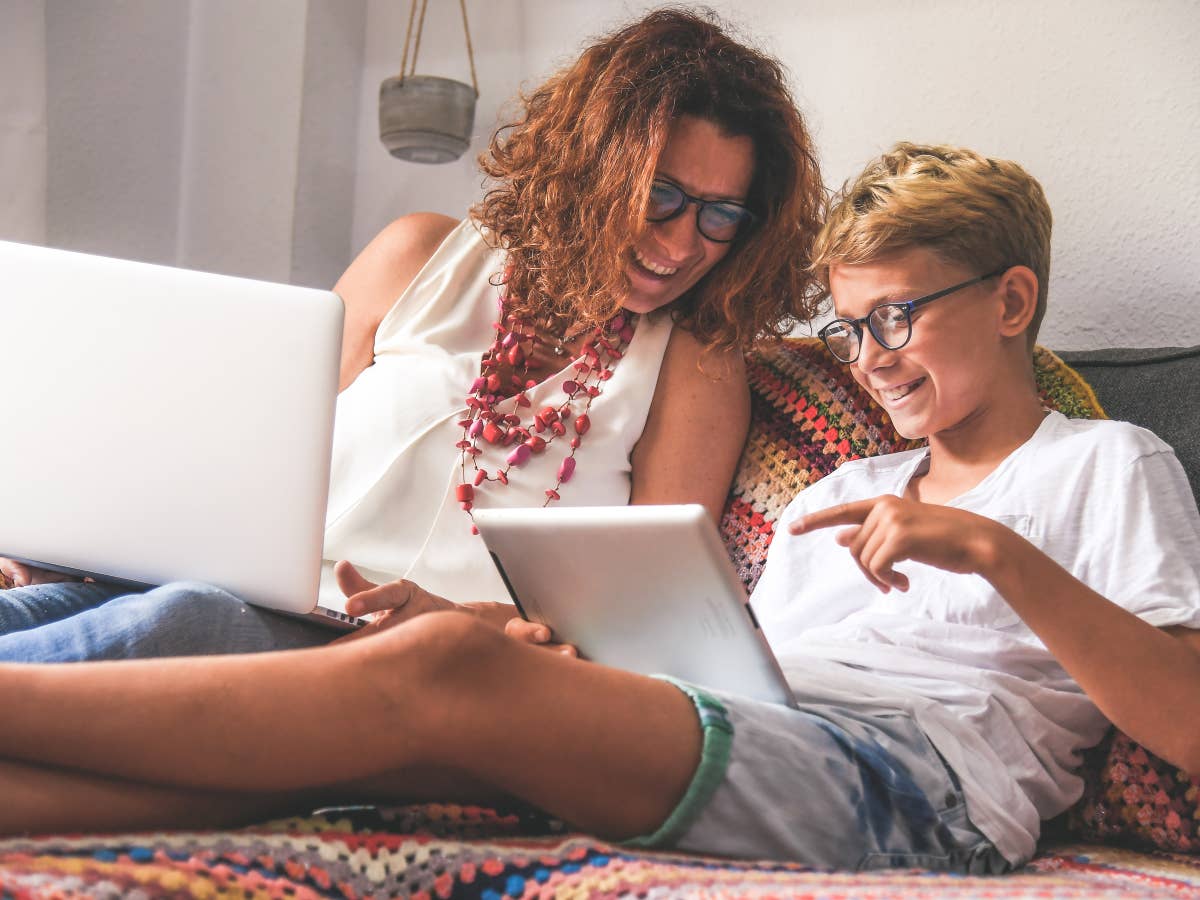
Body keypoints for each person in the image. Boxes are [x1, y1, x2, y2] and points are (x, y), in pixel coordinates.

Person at [3, 142, 1198, 872]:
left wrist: (994, 552)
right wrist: (515, 635)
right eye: (851, 324)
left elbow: (1187, 725)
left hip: (922, 787)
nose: (870, 356)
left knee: (442, 686)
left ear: (1012, 300)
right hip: (768, 727)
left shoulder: (1104, 463)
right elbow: (727, 685)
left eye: (900, 315)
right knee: (397, 702)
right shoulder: (841, 491)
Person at [0, 8, 824, 661]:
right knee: (40, 607)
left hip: (405, 653)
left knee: (179, 621)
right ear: (591, 166)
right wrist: (76, 553)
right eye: (659, 197)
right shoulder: (418, 254)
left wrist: (471, 622)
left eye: (722, 215)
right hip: (250, 592)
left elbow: (651, 623)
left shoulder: (694, 365)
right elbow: (237, 461)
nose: (683, 246)